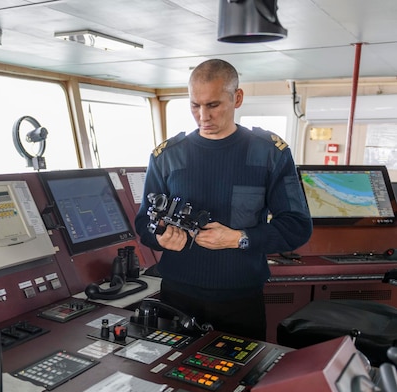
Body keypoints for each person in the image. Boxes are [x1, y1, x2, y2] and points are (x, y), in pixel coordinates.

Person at [134, 59, 312, 341]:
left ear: (237, 98)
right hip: (176, 297)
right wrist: (160, 238)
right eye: (195, 105)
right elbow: (144, 222)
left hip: (239, 301)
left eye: (213, 105)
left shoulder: (269, 154)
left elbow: (297, 226)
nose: (203, 115)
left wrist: (239, 238)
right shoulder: (167, 156)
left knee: (240, 383)